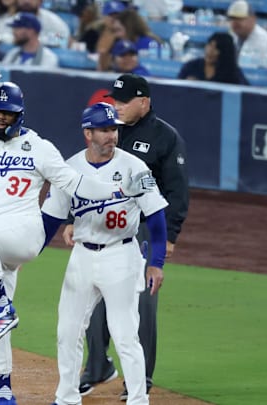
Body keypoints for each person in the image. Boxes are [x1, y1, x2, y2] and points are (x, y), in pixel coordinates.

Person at [0, 67, 156, 405]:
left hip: (24, 231)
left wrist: (116, 188)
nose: (0, 117)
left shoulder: (38, 147)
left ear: (20, 115)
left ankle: (4, 307)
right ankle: (4, 393)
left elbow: (75, 183)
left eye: (8, 113)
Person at [41, 102, 169, 405]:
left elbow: (156, 216)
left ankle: (139, 400)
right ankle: (67, 398)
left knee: (125, 335)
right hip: (82, 256)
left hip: (120, 256)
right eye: (104, 130)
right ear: (88, 133)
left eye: (114, 129)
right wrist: (27, 253)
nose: (112, 135)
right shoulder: (69, 169)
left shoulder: (135, 167)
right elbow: (50, 219)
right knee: (67, 332)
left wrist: (157, 263)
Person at [73, 74, 189, 400]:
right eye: (116, 100)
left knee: (142, 305)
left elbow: (178, 192)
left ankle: (141, 381)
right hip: (106, 224)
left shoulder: (165, 137)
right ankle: (97, 367)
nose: (118, 106)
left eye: (124, 101)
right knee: (94, 294)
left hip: (147, 228)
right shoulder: (111, 133)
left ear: (144, 101)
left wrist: (169, 237)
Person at [177, 32, 250, 85]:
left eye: (216, 49)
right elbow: (176, 90)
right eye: (209, 45)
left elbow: (245, 94)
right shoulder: (191, 66)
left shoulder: (233, 73)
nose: (210, 51)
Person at [226, 0, 267, 65]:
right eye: (232, 18)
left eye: (240, 18)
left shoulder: (265, 42)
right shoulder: (231, 35)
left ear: (253, 19)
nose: (235, 22)